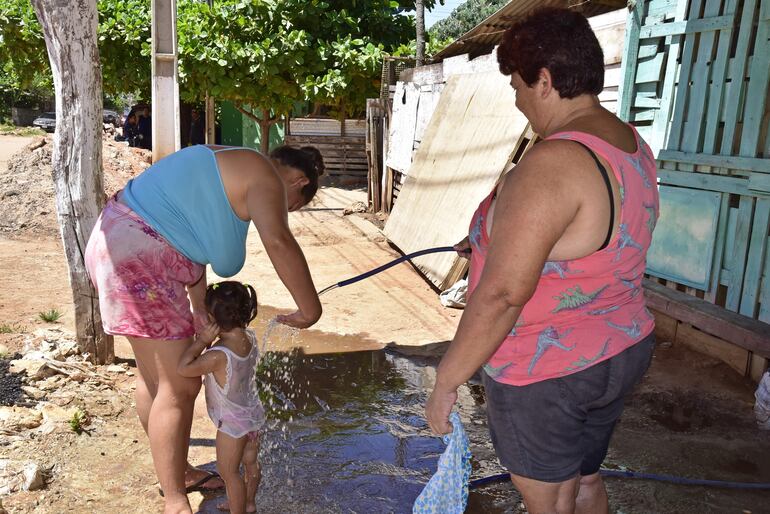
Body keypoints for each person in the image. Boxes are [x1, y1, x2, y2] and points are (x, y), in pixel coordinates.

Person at [424, 8, 659, 514]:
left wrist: (447, 381)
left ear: (545, 81)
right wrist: (488, 241)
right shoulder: (629, 144)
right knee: (585, 480)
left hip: (549, 369)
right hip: (619, 345)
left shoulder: (553, 162)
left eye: (518, 87)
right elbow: (591, 240)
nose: (517, 100)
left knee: (548, 502)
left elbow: (504, 294)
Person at [85, 143, 325, 514]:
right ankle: (176, 501)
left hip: (116, 240)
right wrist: (310, 308)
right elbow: (279, 241)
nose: (284, 210)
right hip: (142, 254)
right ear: (299, 181)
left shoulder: (230, 160)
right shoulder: (264, 177)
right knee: (178, 385)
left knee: (154, 376)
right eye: (293, 204)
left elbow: (189, 237)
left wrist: (199, 307)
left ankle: (177, 475)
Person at [177, 281, 264, 514]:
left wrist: (202, 341)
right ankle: (248, 503)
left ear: (212, 317)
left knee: (229, 473)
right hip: (252, 415)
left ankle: (238, 509)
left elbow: (184, 368)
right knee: (251, 463)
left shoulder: (218, 355)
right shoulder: (250, 338)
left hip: (232, 425)